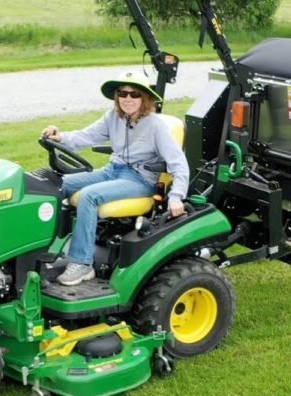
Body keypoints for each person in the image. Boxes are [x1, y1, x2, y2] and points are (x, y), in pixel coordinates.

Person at [41, 71, 190, 286]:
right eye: (122, 93)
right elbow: (86, 136)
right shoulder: (113, 116)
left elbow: (179, 163)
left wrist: (176, 196)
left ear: (145, 98)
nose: (128, 98)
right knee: (55, 184)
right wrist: (60, 137)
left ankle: (82, 263)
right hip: (112, 170)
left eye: (134, 94)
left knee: (90, 196)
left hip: (140, 180)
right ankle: (42, 248)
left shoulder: (156, 126)